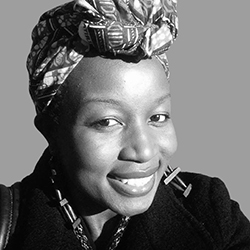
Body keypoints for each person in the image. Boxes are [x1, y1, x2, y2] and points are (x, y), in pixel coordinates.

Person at [1, 0, 250, 249]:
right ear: (50, 131)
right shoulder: (7, 226)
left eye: (158, 117)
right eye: (108, 122)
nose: (144, 151)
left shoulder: (212, 215)